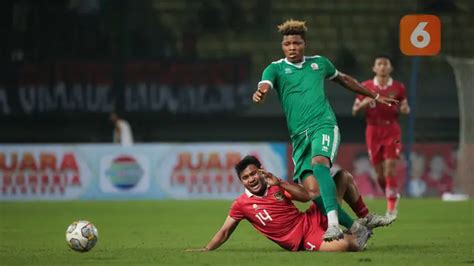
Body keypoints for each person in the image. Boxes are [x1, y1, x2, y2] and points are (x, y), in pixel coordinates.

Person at [252, 19, 398, 241]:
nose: (292, 47)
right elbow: (265, 84)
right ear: (283, 46)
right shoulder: (276, 68)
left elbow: (345, 80)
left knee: (320, 164)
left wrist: (375, 95)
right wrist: (260, 92)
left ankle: (334, 226)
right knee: (313, 192)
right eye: (288, 44)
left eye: (297, 43)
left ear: (304, 44)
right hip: (299, 137)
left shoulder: (320, 64)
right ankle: (360, 225)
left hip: (324, 125)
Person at [187, 155, 394, 252]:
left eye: (253, 173)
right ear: (241, 181)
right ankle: (356, 233)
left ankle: (365, 217)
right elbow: (224, 232)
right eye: (246, 177)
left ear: (260, 172)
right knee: (350, 245)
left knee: (342, 176)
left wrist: (281, 182)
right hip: (304, 238)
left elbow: (307, 196)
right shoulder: (241, 204)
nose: (251, 179)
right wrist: (207, 249)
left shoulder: (277, 186)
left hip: (313, 216)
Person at [352, 55, 410, 217]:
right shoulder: (365, 86)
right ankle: (390, 193)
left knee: (390, 167)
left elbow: (405, 106)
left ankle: (391, 206)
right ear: (374, 68)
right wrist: (367, 101)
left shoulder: (398, 87)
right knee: (379, 173)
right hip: (373, 130)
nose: (383, 67)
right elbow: (354, 110)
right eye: (379, 64)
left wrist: (405, 109)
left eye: (386, 64)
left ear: (390, 68)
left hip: (392, 129)